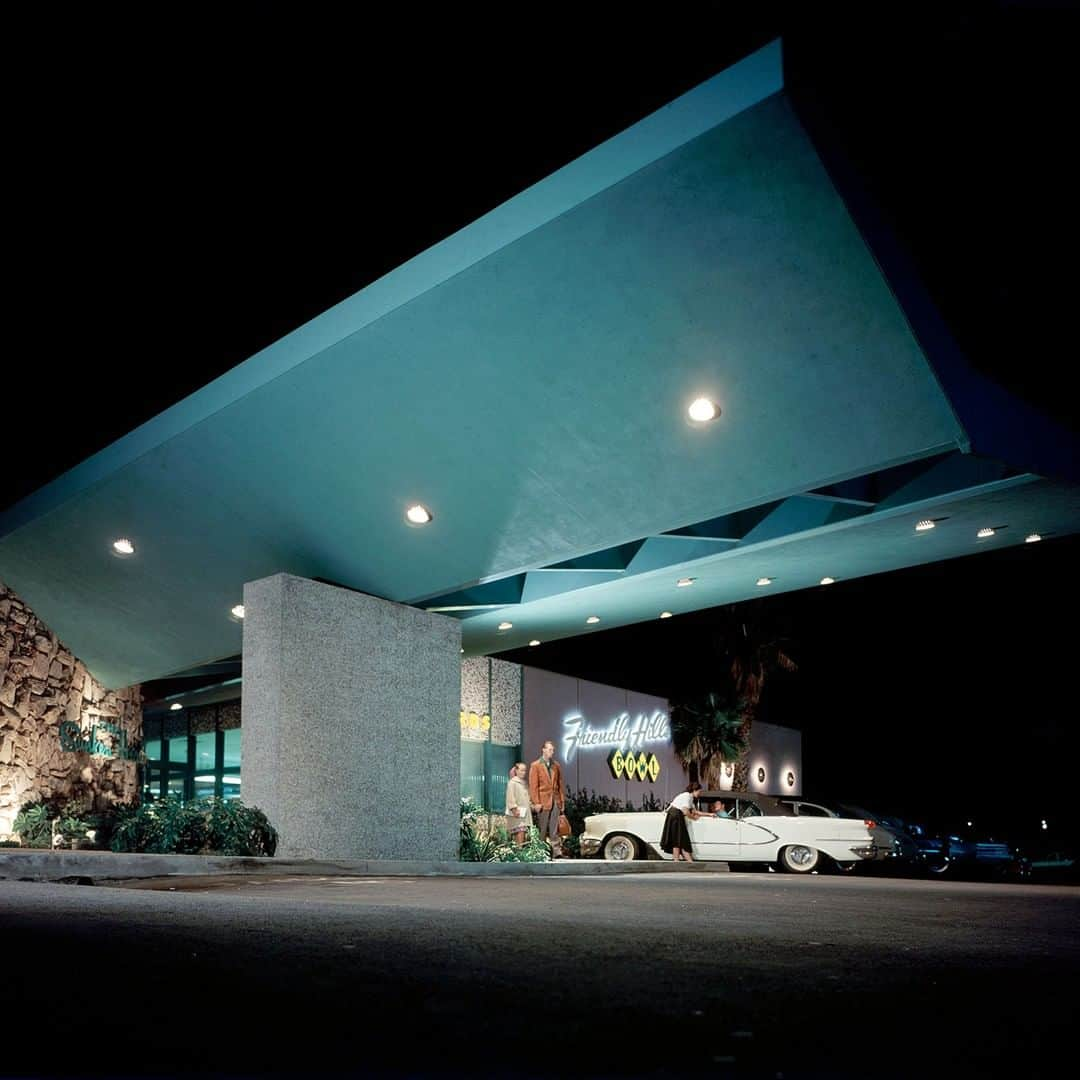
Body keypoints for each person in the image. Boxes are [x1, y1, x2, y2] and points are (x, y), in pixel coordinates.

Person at [528, 739, 567, 858]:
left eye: (553, 750)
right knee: (543, 828)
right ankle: (541, 851)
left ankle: (557, 852)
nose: (552, 752)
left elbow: (560, 784)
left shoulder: (556, 766)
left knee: (554, 827)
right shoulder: (535, 765)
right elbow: (533, 786)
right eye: (550, 749)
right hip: (543, 801)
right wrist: (536, 803)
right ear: (543, 750)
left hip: (555, 800)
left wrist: (562, 801)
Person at [660, 781, 704, 862]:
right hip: (675, 816)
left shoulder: (690, 798)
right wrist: (693, 818)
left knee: (678, 839)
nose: (699, 794)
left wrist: (710, 814)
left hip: (675, 816)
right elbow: (685, 811)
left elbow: (695, 811)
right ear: (694, 790)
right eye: (699, 791)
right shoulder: (687, 796)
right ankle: (681, 860)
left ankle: (678, 860)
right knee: (679, 839)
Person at [504, 762, 532, 846]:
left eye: (525, 770)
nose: (524, 772)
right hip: (517, 814)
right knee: (519, 833)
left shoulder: (524, 783)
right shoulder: (512, 783)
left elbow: (527, 798)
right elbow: (510, 797)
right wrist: (514, 809)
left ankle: (519, 853)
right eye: (521, 770)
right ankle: (519, 854)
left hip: (524, 813)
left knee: (522, 834)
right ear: (516, 770)